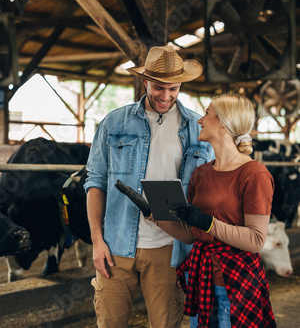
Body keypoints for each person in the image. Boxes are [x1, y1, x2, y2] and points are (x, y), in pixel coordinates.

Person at [117, 94, 277, 327]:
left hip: (235, 281)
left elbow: (255, 240)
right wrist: (154, 214)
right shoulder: (201, 173)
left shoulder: (254, 174)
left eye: (208, 114)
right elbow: (193, 235)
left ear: (224, 122)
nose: (200, 120)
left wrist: (206, 221)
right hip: (201, 278)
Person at [84, 44, 214, 328]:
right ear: (144, 81)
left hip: (171, 249)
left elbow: (210, 188)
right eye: (158, 87)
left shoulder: (199, 128)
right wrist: (96, 240)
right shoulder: (114, 122)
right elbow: (95, 181)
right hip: (116, 245)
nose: (165, 96)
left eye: (174, 88)